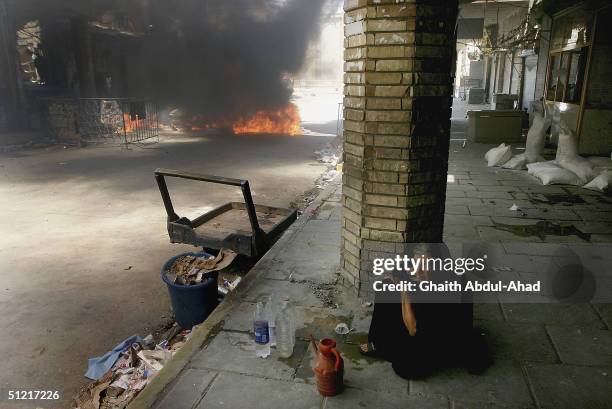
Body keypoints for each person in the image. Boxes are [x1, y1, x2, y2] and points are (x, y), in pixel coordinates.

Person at [360, 243, 489, 379]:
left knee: (407, 367)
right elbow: (397, 274)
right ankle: (379, 341)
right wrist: (394, 279)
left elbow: (413, 329)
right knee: (385, 287)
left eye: (426, 265)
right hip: (421, 319)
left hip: (442, 336)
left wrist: (404, 291)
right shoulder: (420, 274)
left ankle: (390, 346)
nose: (419, 271)